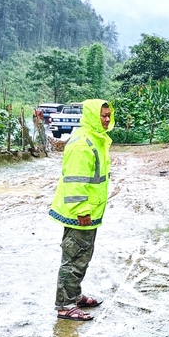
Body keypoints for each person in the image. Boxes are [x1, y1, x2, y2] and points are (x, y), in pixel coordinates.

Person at [49, 99, 114, 321]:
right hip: (81, 213)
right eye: (102, 116)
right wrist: (82, 210)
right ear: (91, 116)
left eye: (108, 115)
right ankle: (65, 305)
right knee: (74, 257)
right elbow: (74, 182)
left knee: (82, 255)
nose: (106, 119)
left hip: (89, 211)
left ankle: (73, 295)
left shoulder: (96, 139)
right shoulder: (82, 143)